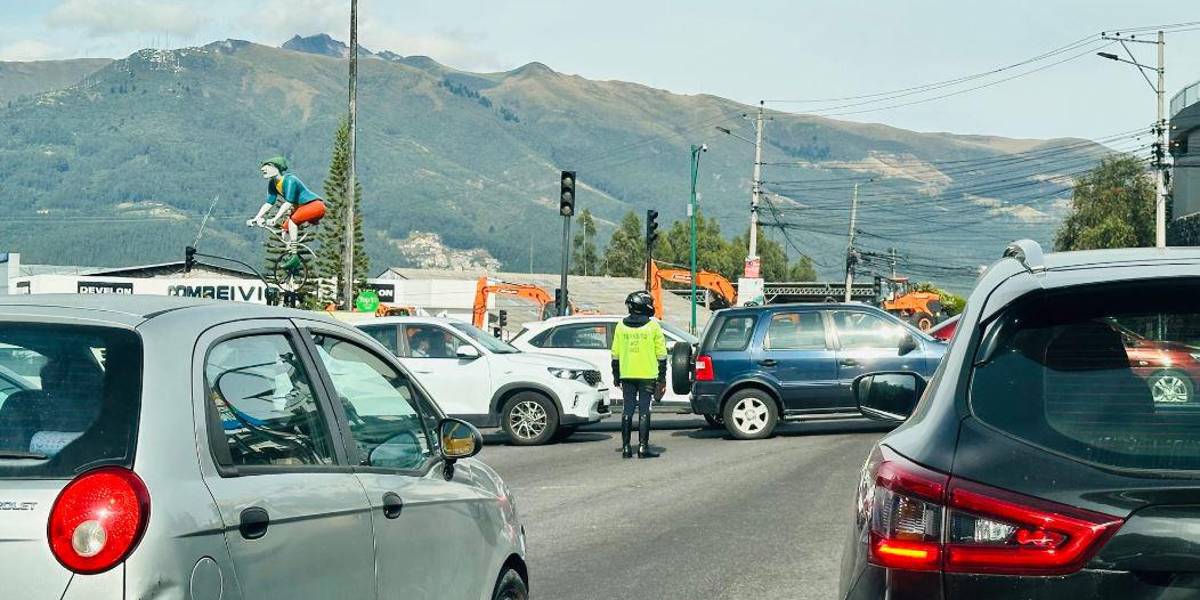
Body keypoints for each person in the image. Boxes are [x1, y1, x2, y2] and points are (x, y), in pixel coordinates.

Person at [611, 291, 668, 459]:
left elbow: (615, 354)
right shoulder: (653, 327)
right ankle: (643, 447)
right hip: (647, 375)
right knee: (644, 409)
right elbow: (662, 355)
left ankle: (626, 448)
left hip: (627, 374)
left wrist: (616, 375)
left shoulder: (620, 326)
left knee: (627, 409)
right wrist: (662, 379)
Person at [247, 156, 326, 244]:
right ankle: (291, 252)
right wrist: (256, 218)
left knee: (293, 222)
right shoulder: (272, 183)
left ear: (277, 168)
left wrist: (275, 218)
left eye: (268, 165)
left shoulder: (290, 180)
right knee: (285, 229)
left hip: (314, 205)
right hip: (302, 207)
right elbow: (269, 203)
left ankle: (294, 248)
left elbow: (288, 202)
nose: (263, 169)